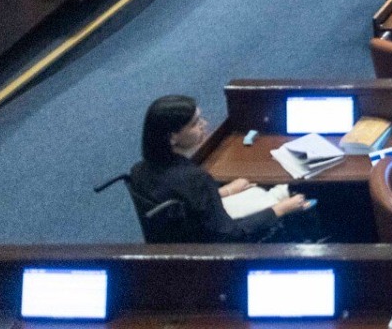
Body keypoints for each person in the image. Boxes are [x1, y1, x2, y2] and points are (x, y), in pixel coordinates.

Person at [129, 95, 313, 241]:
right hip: (210, 250)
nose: (204, 125)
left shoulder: (138, 170)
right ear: (172, 138)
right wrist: (282, 208)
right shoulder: (195, 178)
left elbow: (185, 205)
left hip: (178, 241)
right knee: (284, 193)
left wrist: (225, 191)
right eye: (195, 123)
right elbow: (229, 234)